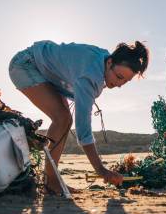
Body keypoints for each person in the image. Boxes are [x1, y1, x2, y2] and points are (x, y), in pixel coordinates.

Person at [9, 40, 149, 195]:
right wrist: (101, 170)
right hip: (25, 64)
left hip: (45, 67)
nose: (120, 84)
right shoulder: (89, 77)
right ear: (109, 62)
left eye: (125, 81)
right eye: (119, 76)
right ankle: (51, 181)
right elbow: (83, 130)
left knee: (64, 119)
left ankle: (51, 179)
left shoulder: (103, 57)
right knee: (62, 119)